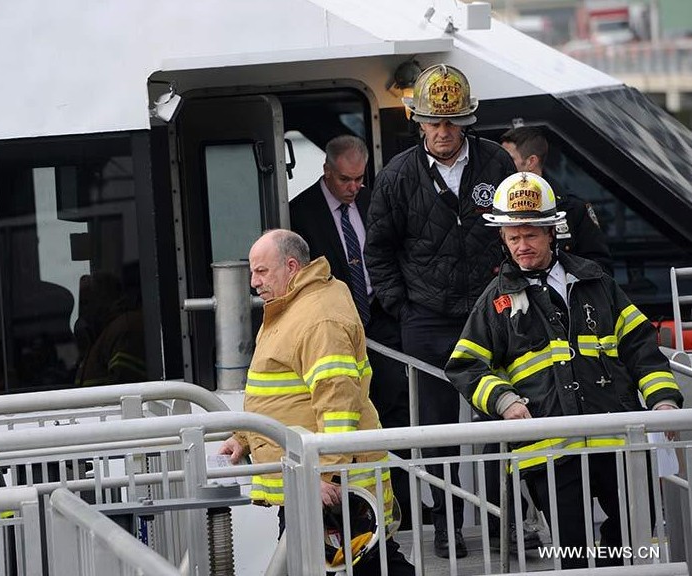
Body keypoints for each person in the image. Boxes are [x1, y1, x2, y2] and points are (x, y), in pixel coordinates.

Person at [445, 172, 683, 568]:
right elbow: (465, 365)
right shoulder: (497, 300)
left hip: (615, 438)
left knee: (630, 536)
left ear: (552, 232)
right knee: (571, 552)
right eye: (513, 237)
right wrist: (504, 401)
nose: (522, 246)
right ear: (502, 240)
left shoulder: (595, 281)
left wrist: (662, 400)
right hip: (549, 449)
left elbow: (640, 344)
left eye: (531, 236)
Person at [364, 63, 516, 558]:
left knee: (499, 421)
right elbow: (378, 252)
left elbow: (521, 231)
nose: (444, 131)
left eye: (452, 122)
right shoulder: (396, 177)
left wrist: (512, 291)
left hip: (491, 311)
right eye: (435, 122)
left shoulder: (497, 165)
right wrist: (403, 308)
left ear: (467, 121)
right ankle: (445, 527)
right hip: (426, 319)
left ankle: (502, 523)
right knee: (435, 433)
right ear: (419, 122)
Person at [218, 229, 414, 575]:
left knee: (367, 565)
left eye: (262, 271)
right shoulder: (291, 307)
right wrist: (244, 437)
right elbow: (280, 395)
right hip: (307, 479)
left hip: (324, 485)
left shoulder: (317, 316)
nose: (253, 282)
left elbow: (337, 402)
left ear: (291, 266)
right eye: (252, 272)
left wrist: (325, 475)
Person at [289, 134, 415, 528]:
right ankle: (360, 510)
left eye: (360, 179)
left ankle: (407, 505)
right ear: (327, 171)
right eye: (346, 180)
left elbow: (391, 251)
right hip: (336, 328)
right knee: (351, 413)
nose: (354, 187)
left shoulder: (371, 199)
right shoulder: (300, 212)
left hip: (379, 321)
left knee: (396, 409)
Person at [500, 126, 613, 274]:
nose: (501, 164)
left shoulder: (572, 207)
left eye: (508, 159)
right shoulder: (498, 208)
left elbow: (600, 267)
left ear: (531, 161)